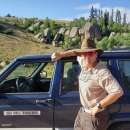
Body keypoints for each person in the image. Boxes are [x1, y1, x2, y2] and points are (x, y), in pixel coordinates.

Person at [51, 38, 124, 130]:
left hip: (95, 115)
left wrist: (98, 106)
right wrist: (61, 54)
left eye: (90, 53)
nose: (87, 56)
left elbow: (118, 92)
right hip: (83, 112)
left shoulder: (101, 72)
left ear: (96, 54)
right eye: (84, 53)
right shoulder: (85, 63)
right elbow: (75, 52)